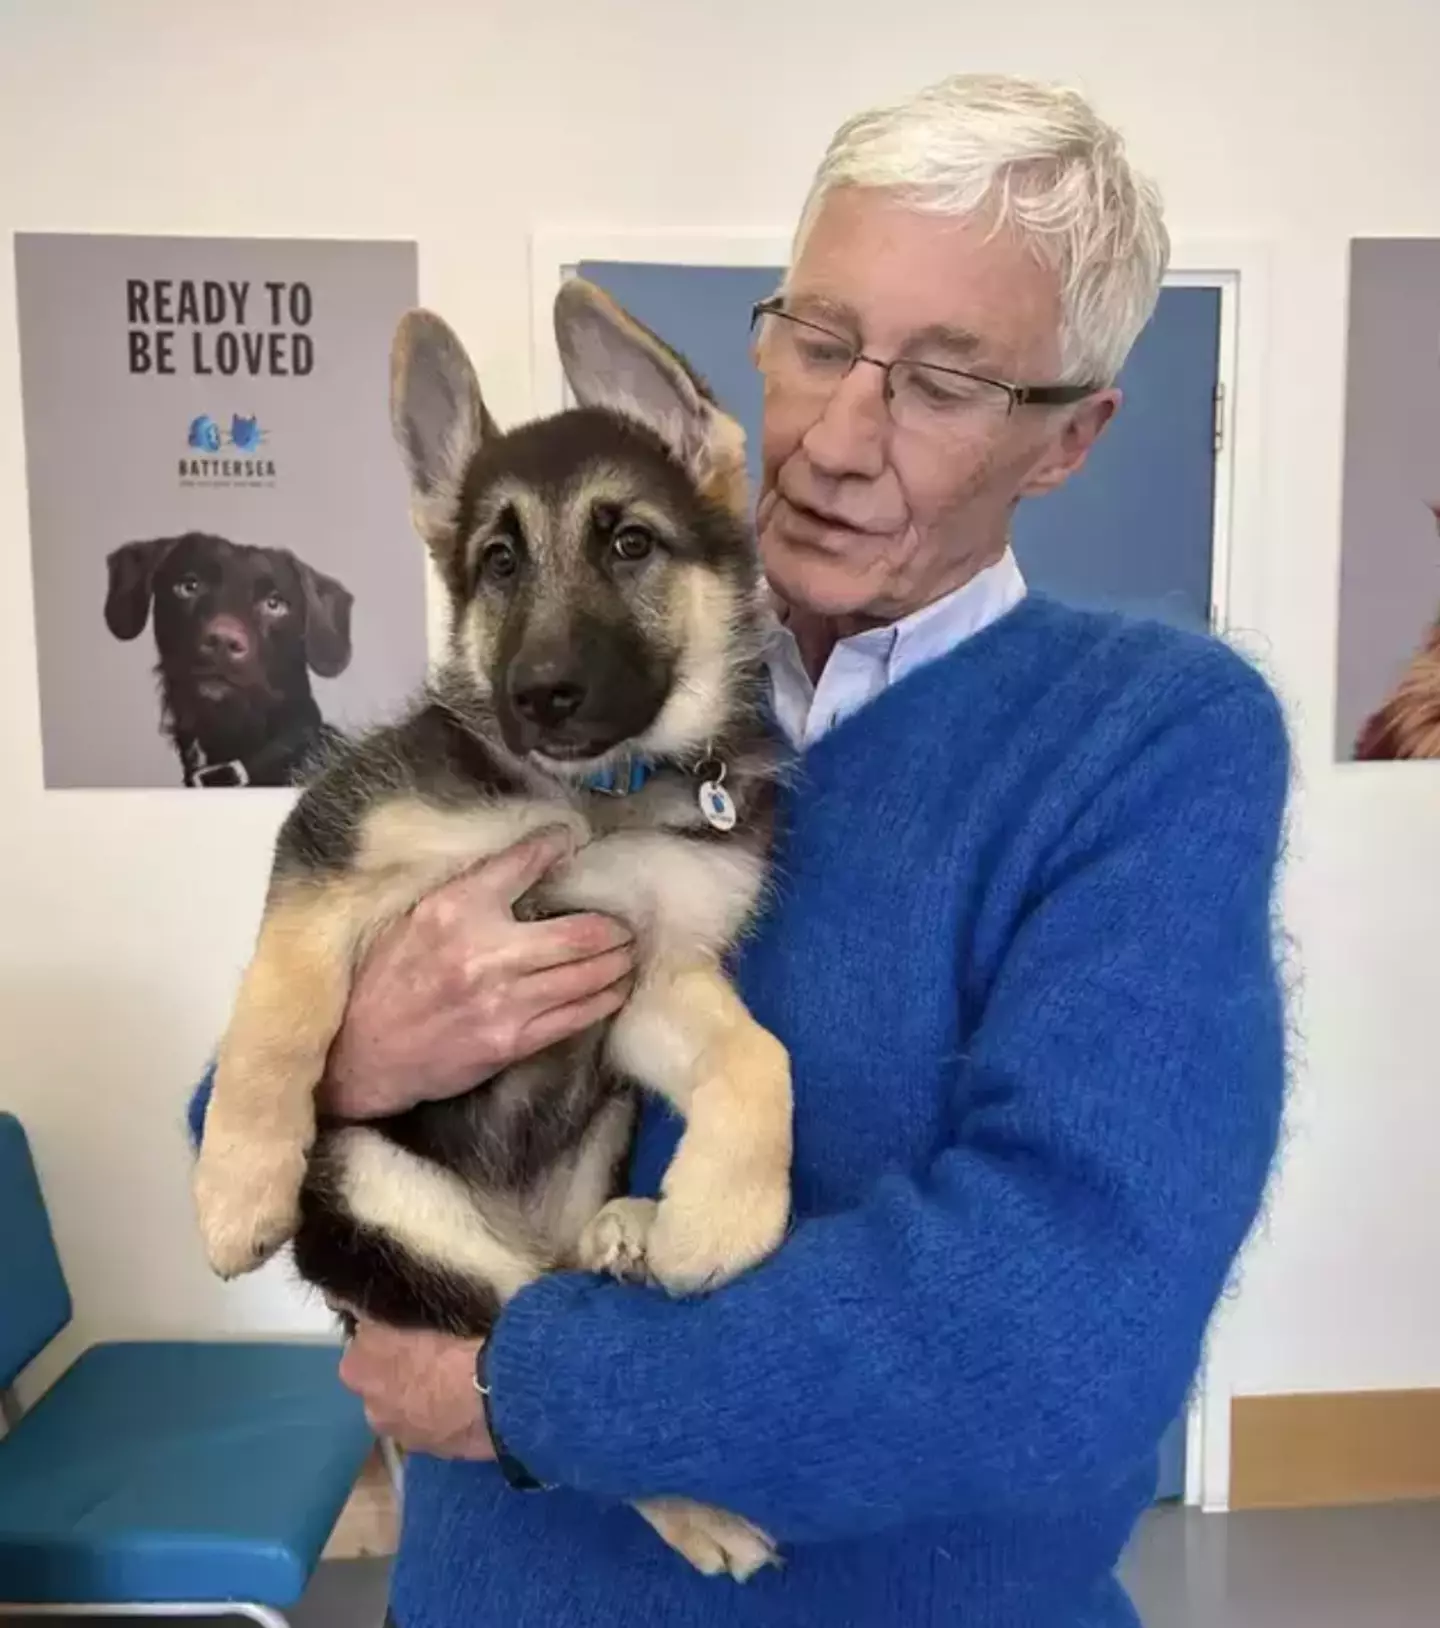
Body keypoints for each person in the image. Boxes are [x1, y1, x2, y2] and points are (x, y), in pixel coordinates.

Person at [189, 72, 1291, 1628]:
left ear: (1069, 439)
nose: (840, 438)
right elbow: (233, 1145)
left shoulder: (1151, 742)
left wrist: (529, 1386)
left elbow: (1059, 1340)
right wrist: (358, 1050)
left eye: (943, 382)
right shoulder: (564, 714)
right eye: (822, 342)